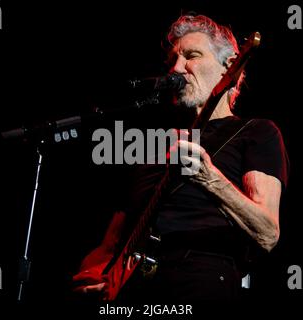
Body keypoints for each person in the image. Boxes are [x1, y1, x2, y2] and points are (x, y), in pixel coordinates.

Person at [71, 14, 289, 303]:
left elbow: (267, 232)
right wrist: (92, 274)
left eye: (191, 56)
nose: (176, 68)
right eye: (173, 59)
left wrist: (210, 179)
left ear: (230, 67)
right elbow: (112, 240)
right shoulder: (151, 145)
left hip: (200, 278)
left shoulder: (256, 132)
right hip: (134, 290)